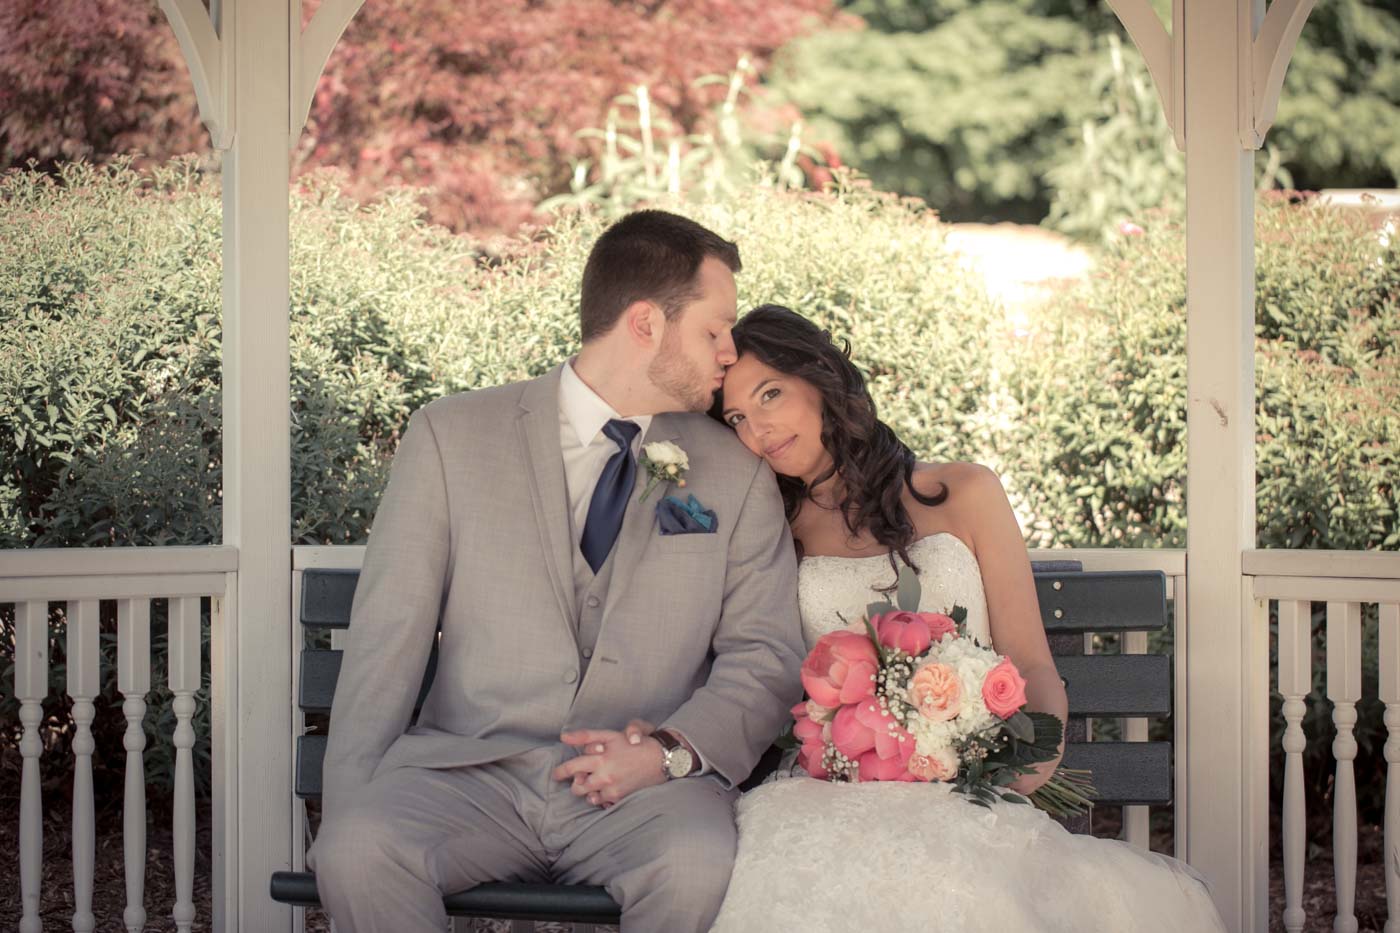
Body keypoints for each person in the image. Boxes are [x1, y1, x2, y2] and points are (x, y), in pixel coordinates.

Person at [309, 214, 806, 933]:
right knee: (358, 851)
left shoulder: (736, 471)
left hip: (648, 792)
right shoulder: (451, 436)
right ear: (644, 323)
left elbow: (766, 653)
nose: (731, 352)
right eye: (713, 330)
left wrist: (665, 752)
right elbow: (390, 635)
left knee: (698, 864)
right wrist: (348, 806)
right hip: (470, 774)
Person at [703, 304, 1227, 932]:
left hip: (968, 786)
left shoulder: (967, 491)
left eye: (770, 395)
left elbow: (1030, 661)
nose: (757, 428)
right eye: (736, 417)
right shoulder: (767, 527)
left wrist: (1016, 774)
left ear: (820, 378)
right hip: (834, 791)